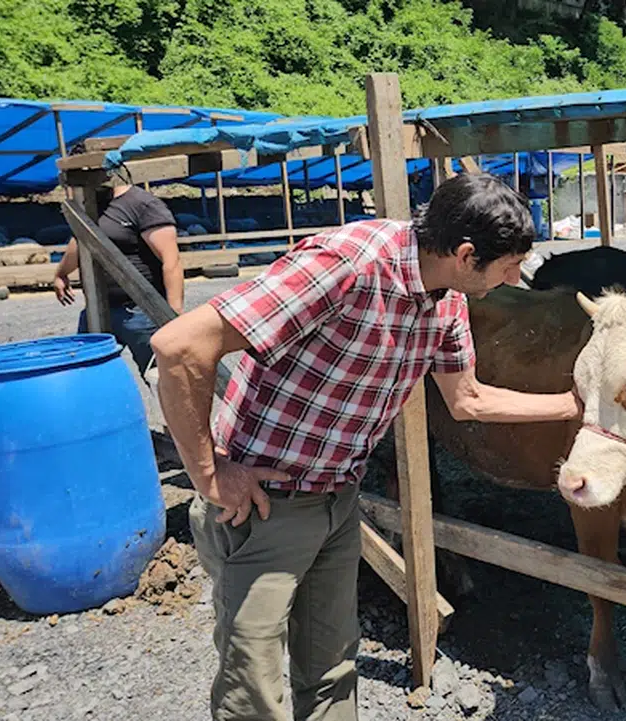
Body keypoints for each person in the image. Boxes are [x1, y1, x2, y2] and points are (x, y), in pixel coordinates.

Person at [149, 173, 582, 721]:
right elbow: (180, 345)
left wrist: (572, 406)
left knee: (331, 668)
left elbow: (467, 398)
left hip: (337, 497)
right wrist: (210, 474)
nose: (516, 279)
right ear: (467, 255)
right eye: (508, 266)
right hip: (261, 502)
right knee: (252, 685)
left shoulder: (445, 299)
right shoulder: (345, 265)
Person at [53, 183, 183, 376]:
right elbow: (81, 239)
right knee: (87, 375)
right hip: (96, 309)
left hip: (141, 311)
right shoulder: (91, 204)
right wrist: (61, 272)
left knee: (162, 377)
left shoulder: (142, 204)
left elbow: (171, 262)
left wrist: (174, 316)